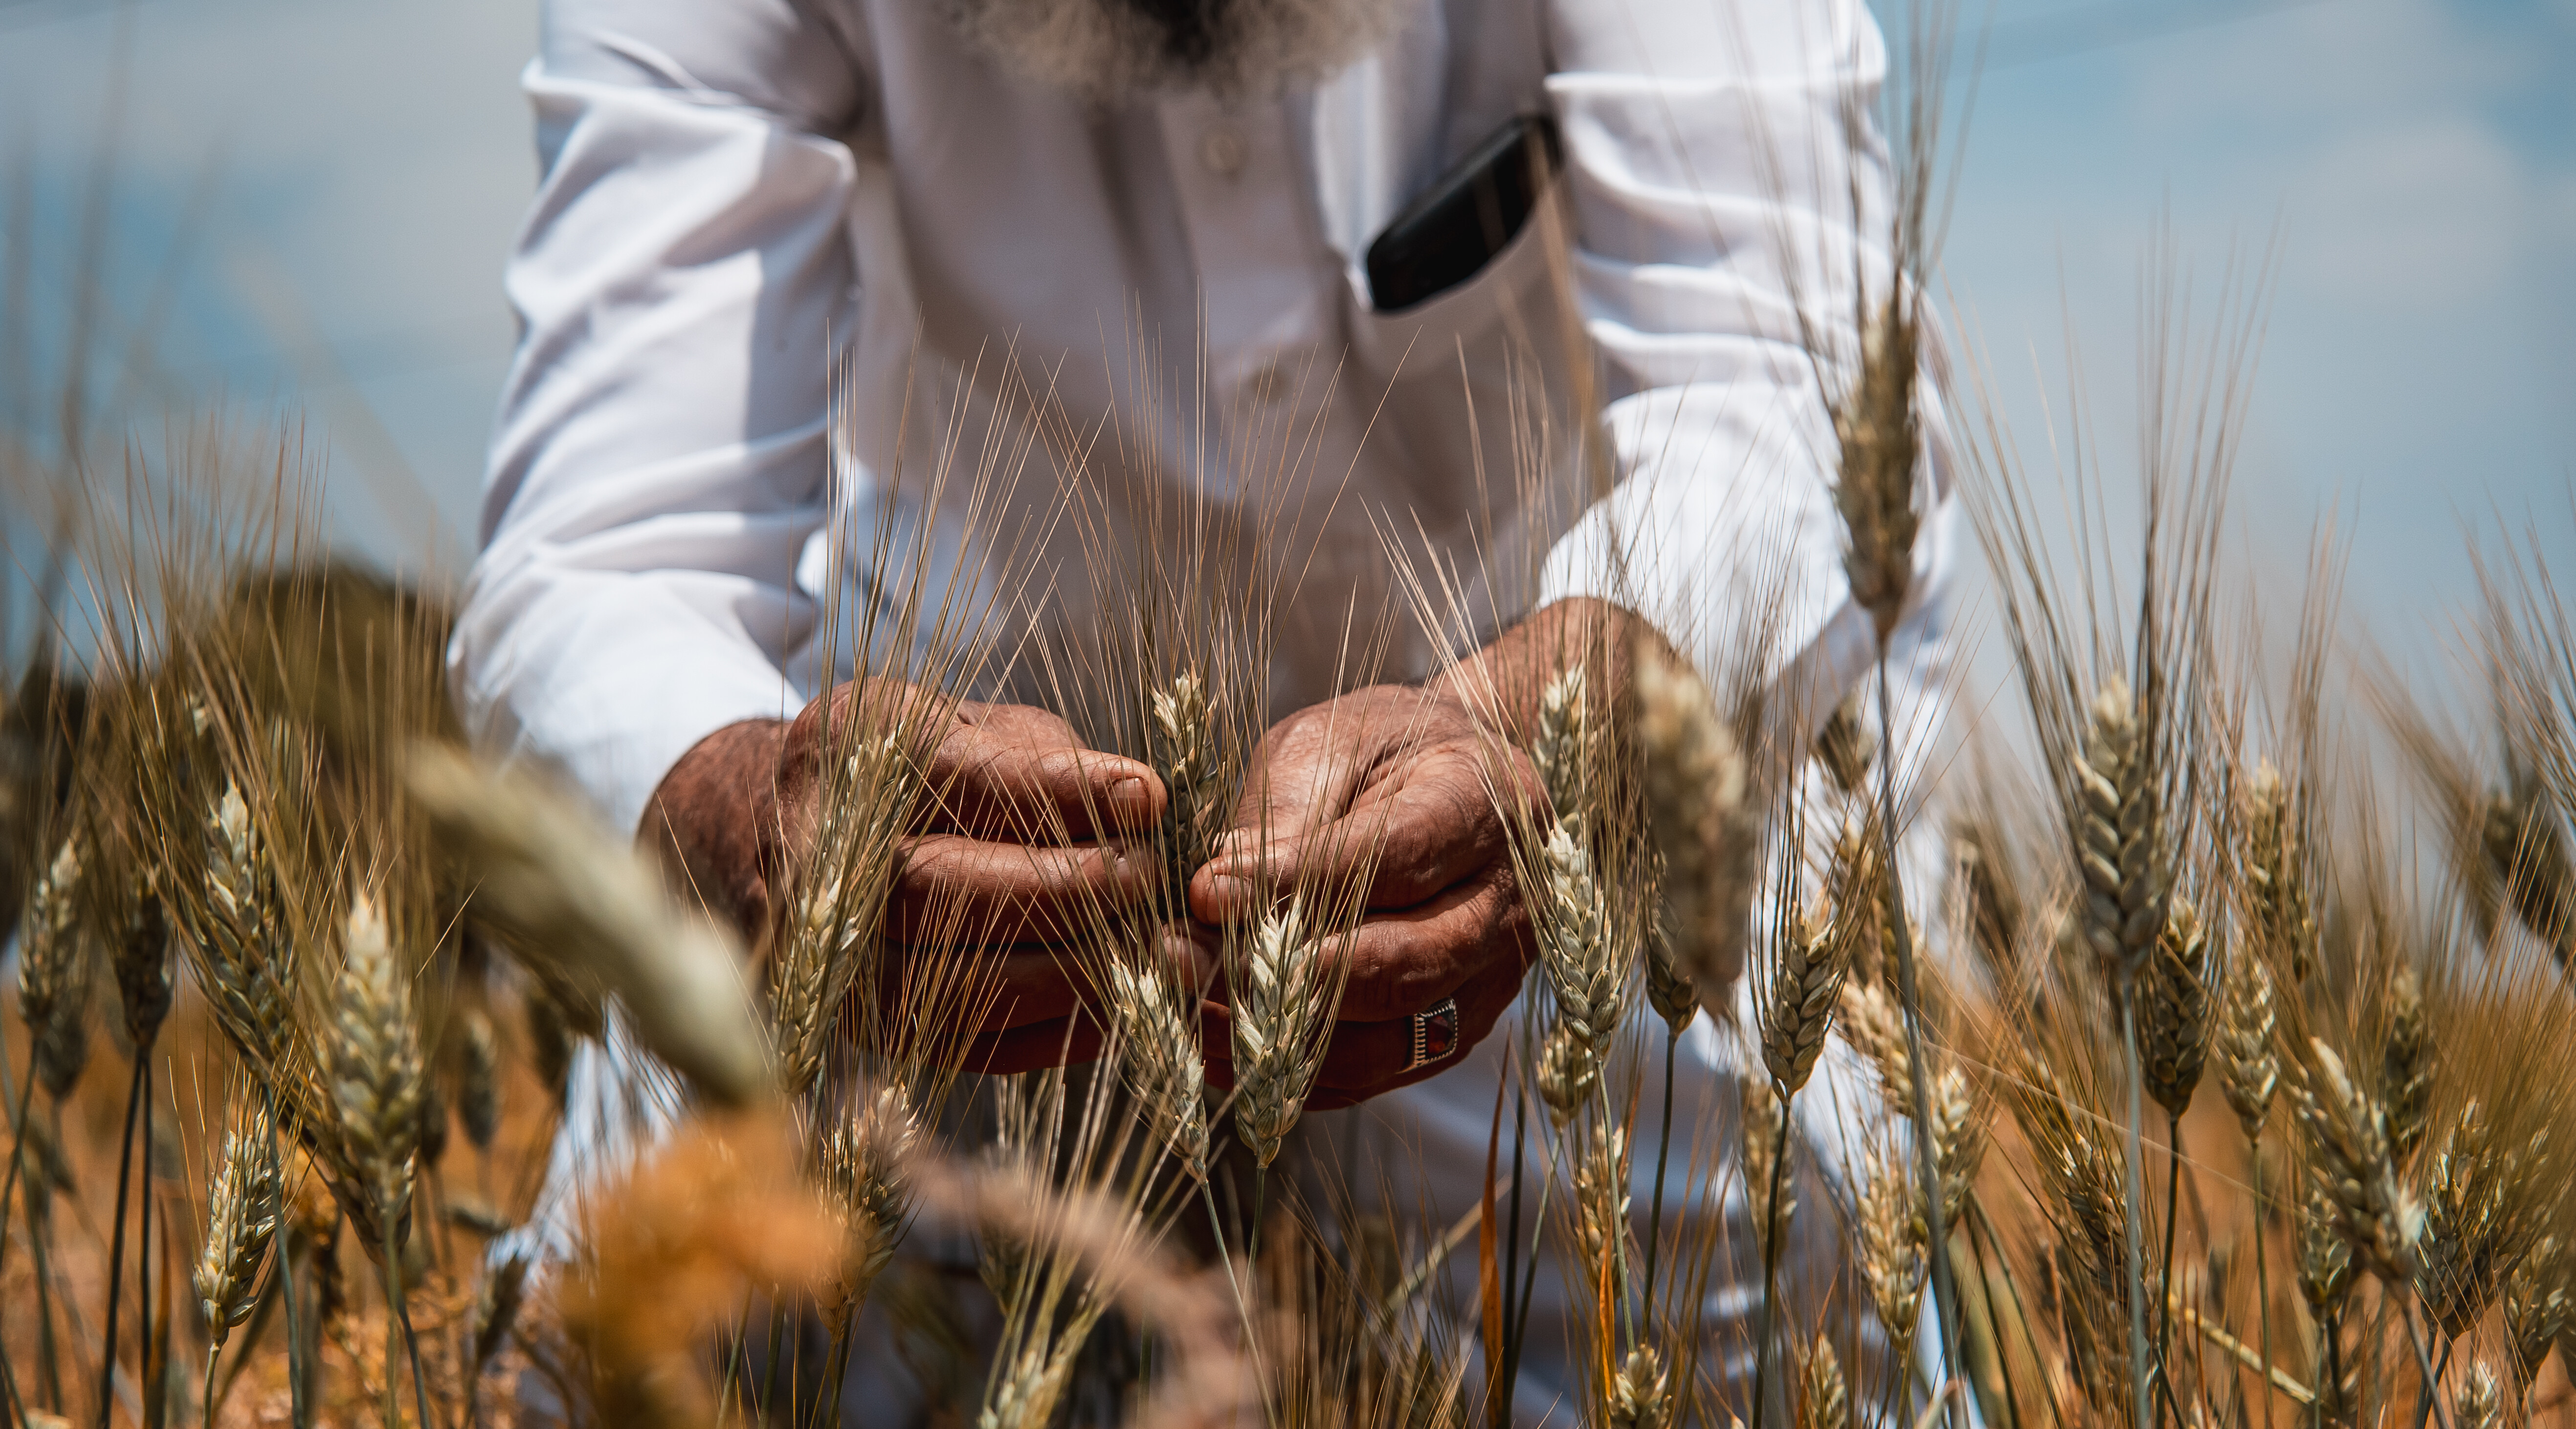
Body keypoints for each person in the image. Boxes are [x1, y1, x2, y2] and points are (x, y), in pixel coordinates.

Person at [451, 0, 1961, 1419]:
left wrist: (1556, 723)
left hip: (1588, 836)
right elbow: (607, 550)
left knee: (1773, 1346)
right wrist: (749, 805)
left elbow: (1789, 376)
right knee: (633, 1361)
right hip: (962, 873)